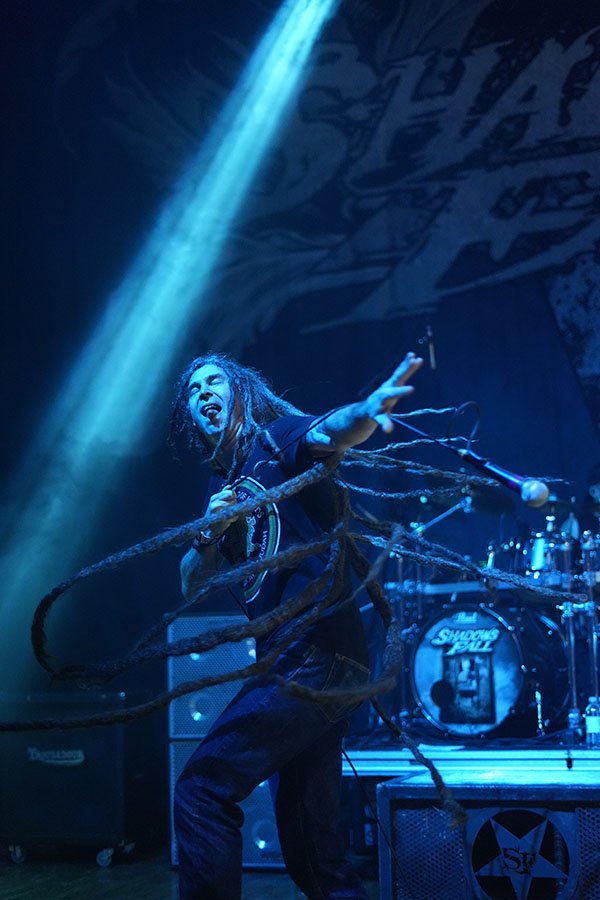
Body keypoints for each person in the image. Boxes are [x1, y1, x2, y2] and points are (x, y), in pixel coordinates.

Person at [171, 351, 423, 900]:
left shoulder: (273, 441)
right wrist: (208, 531)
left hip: (313, 652)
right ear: (190, 417)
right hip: (311, 662)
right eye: (193, 391)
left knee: (202, 790)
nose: (204, 393)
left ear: (241, 393)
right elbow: (190, 582)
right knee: (313, 852)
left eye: (215, 382)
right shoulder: (222, 487)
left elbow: (330, 431)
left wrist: (367, 410)